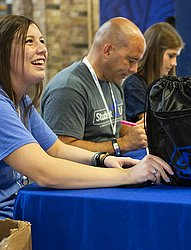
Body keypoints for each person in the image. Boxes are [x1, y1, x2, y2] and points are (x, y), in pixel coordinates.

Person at [0, 14, 173, 220]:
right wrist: (127, 174)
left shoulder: (21, 103)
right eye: (29, 41)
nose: (42, 49)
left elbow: (56, 149)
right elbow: (45, 171)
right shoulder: (61, 89)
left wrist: (103, 159)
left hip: (24, 209)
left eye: (42, 41)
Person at [41, 17, 147, 156]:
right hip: (83, 175)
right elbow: (60, 149)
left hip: (112, 168)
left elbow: (114, 128)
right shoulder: (68, 89)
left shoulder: (114, 81)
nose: (134, 69)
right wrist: (121, 144)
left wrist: (139, 131)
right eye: (131, 60)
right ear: (108, 50)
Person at [123, 22, 184, 122]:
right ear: (155, 53)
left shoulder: (166, 84)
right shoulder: (134, 85)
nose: (174, 63)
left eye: (176, 56)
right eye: (171, 56)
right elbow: (152, 124)